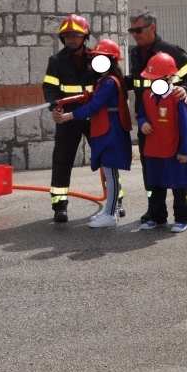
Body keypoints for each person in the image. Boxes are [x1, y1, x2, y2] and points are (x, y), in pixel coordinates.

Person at [44, 14, 125, 223]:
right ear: (62, 38)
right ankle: (60, 205)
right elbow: (50, 89)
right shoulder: (56, 62)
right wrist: (54, 107)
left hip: (95, 117)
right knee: (62, 160)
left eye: (76, 36)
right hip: (68, 118)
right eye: (67, 36)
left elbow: (111, 79)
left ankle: (117, 201)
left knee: (107, 159)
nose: (72, 40)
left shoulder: (95, 58)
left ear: (85, 37)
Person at [126, 9, 187, 225]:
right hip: (147, 122)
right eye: (131, 30)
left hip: (169, 122)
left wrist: (185, 89)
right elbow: (136, 82)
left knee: (178, 166)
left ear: (152, 27)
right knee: (150, 168)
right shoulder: (135, 53)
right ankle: (155, 210)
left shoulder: (170, 51)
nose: (135, 34)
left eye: (138, 29)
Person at [54, 39, 132, 228]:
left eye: (100, 58)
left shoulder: (108, 83)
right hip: (107, 130)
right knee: (108, 171)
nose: (94, 62)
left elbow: (95, 107)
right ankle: (109, 211)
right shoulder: (105, 81)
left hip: (110, 132)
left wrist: (68, 116)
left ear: (110, 61)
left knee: (110, 173)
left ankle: (111, 214)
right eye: (94, 59)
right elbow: (95, 100)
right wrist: (84, 97)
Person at [136, 52, 187, 233]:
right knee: (156, 187)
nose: (153, 82)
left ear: (169, 77)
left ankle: (182, 219)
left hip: (174, 151)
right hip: (153, 150)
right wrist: (143, 123)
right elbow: (141, 114)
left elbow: (185, 127)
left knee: (178, 187)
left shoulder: (177, 98)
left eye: (157, 78)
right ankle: (157, 217)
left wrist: (184, 151)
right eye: (151, 78)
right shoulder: (147, 96)